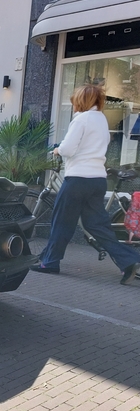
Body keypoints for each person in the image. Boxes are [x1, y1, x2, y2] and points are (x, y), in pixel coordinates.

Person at [30, 84, 140, 285]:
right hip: (97, 180)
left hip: (78, 179)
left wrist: (57, 151)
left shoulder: (81, 119)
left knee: (62, 223)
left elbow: (69, 148)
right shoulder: (101, 119)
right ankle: (130, 260)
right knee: (98, 226)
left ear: (81, 100)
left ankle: (50, 262)